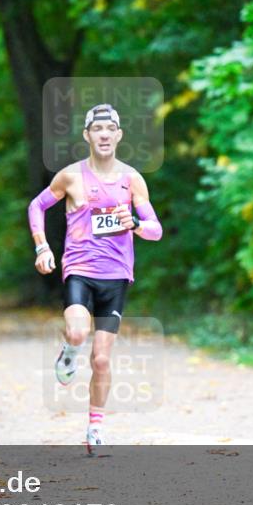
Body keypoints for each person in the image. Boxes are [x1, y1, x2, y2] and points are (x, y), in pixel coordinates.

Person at [27, 103, 163, 455]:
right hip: (80, 270)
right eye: (97, 129)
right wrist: (42, 247)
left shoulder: (132, 180)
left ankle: (95, 428)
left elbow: (156, 230)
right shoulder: (70, 176)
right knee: (77, 331)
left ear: (118, 135)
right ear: (87, 135)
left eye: (110, 129)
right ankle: (69, 350)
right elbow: (36, 207)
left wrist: (134, 223)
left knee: (101, 360)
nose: (104, 134)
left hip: (116, 278)